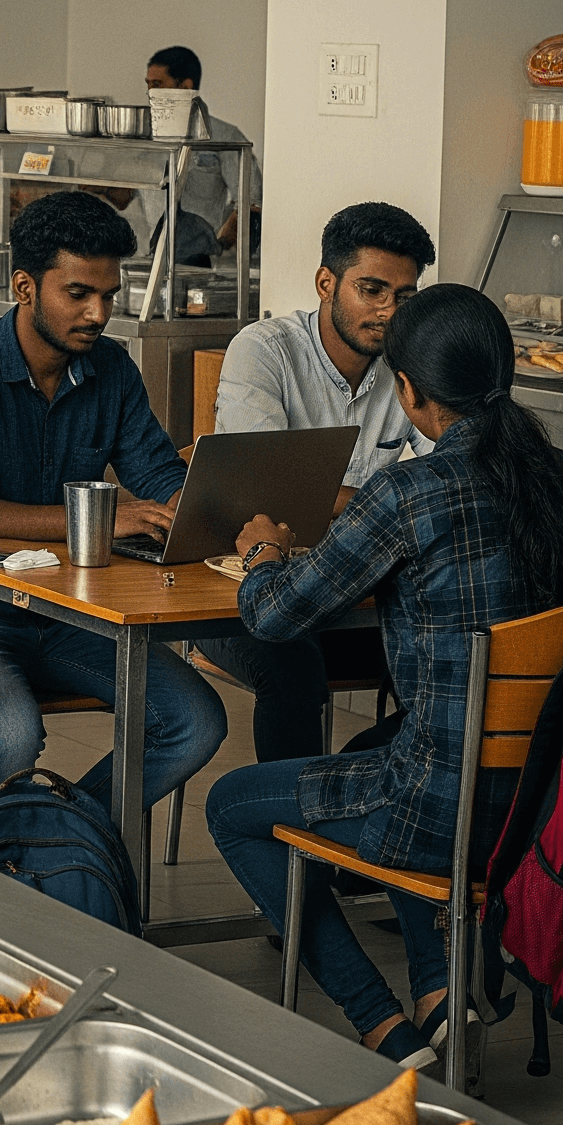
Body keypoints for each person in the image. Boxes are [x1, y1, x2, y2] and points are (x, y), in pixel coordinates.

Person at [207, 284, 563, 1069]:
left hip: (445, 814)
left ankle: (381, 1026)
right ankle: (444, 995)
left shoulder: (410, 492)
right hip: (558, 811)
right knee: (399, 740)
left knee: (235, 805)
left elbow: (273, 617)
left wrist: (264, 550)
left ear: (408, 392)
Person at [0, 190, 227, 817]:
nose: (98, 313)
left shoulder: (111, 369)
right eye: (78, 294)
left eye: (110, 295)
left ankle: (57, 844)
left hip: (65, 611)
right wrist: (106, 518)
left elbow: (154, 468)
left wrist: (201, 507)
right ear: (23, 286)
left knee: (195, 722)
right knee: (10, 731)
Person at [195, 201, 439, 761]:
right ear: (326, 282)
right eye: (372, 290)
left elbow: (445, 475)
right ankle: (293, 834)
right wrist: (387, 505)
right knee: (293, 664)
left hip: (353, 585)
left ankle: (383, 805)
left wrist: (353, 506)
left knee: (445, 651)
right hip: (240, 587)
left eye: (405, 297)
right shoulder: (263, 350)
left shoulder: (409, 363)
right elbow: (265, 493)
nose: (388, 312)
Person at [107, 45, 262, 265]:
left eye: (158, 84)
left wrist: (217, 246)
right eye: (148, 85)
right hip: (154, 259)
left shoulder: (224, 136)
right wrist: (98, 184)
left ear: (186, 87)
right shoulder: (143, 134)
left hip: (202, 264)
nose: (150, 93)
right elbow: (124, 199)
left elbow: (251, 203)